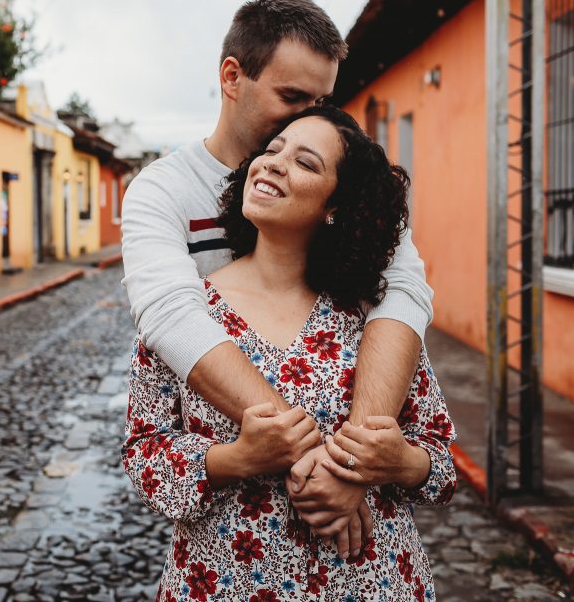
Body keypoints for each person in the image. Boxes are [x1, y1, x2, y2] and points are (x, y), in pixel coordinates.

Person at [120, 0, 434, 557]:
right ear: (233, 76)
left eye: (320, 101)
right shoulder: (162, 190)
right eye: (292, 98)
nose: (306, 116)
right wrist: (301, 454)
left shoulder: (352, 212)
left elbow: (404, 291)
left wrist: (355, 464)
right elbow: (169, 313)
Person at [123, 105, 456, 601]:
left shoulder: (373, 318)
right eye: (272, 150)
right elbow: (144, 450)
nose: (273, 163)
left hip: (373, 583)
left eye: (306, 162)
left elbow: (440, 461)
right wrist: (234, 458)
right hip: (223, 584)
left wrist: (400, 463)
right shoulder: (187, 315)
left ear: (335, 206)